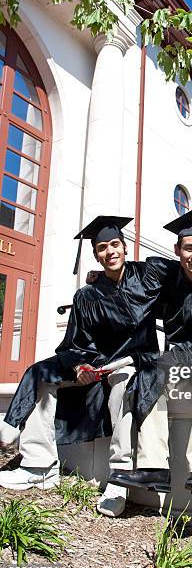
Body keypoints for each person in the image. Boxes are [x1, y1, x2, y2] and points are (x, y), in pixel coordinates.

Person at [0, 216, 160, 518]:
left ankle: (119, 478)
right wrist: (79, 367)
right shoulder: (86, 296)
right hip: (97, 365)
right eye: (102, 247)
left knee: (124, 384)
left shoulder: (147, 279)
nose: (109, 251)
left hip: (135, 362)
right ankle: (38, 465)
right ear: (96, 255)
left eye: (114, 244)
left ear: (125, 248)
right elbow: (75, 343)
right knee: (42, 374)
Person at [109, 210, 192, 497]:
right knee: (150, 372)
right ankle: (155, 467)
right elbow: (130, 273)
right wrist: (99, 277)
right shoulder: (165, 274)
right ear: (177, 249)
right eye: (189, 248)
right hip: (178, 353)